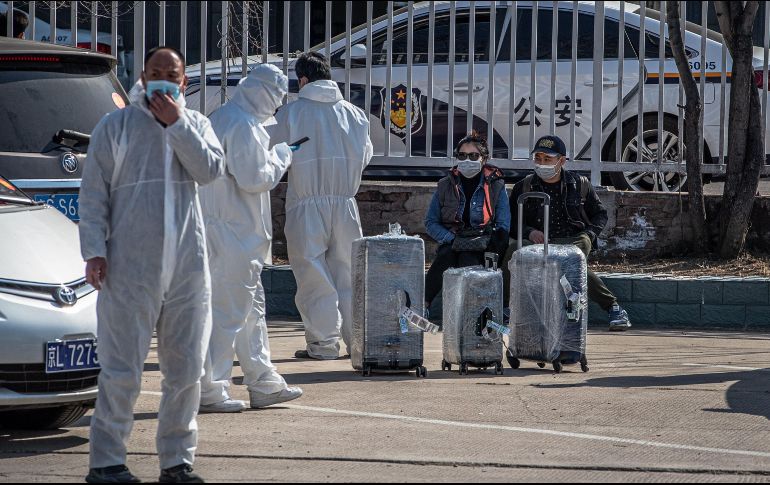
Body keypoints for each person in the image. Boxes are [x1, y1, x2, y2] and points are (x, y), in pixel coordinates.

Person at [79, 46, 225, 483]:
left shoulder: (196, 124)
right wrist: (94, 250)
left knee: (185, 371)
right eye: (154, 72)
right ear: (141, 76)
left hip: (186, 267)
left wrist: (177, 125)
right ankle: (106, 463)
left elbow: (211, 170)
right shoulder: (116, 126)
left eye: (171, 74)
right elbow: (93, 194)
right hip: (129, 265)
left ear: (183, 82)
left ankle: (177, 462)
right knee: (121, 368)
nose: (162, 79)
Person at [198, 64, 303, 414]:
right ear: (263, 93)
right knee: (229, 312)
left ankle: (263, 381)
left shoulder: (223, 117)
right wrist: (283, 155)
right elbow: (255, 178)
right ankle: (210, 388)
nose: (276, 106)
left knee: (250, 311)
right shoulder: (243, 126)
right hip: (235, 233)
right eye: (276, 98)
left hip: (225, 231)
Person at [268, 52, 373, 360]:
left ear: (302, 80)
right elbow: (365, 157)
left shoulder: (291, 113)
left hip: (306, 201)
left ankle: (324, 344)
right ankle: (358, 342)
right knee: (348, 274)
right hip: (346, 202)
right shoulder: (356, 115)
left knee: (312, 273)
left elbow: (270, 151)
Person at [502, 134, 632, 332]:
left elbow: (600, 215)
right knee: (513, 250)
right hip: (539, 241)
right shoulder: (525, 186)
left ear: (561, 161)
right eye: (538, 158)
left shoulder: (579, 184)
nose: (542, 163)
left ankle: (613, 308)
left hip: (572, 239)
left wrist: (589, 235)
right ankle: (505, 308)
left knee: (571, 260)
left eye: (548, 159)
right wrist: (529, 232)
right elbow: (511, 221)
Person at [424, 132, 511, 313]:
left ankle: (472, 313)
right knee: (446, 255)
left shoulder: (496, 186)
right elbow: (431, 222)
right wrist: (451, 238)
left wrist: (489, 243)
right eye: (462, 156)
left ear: (484, 159)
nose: (467, 160)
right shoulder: (445, 185)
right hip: (453, 240)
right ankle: (423, 305)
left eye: (473, 156)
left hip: (483, 242)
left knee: (468, 259)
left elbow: (503, 225)